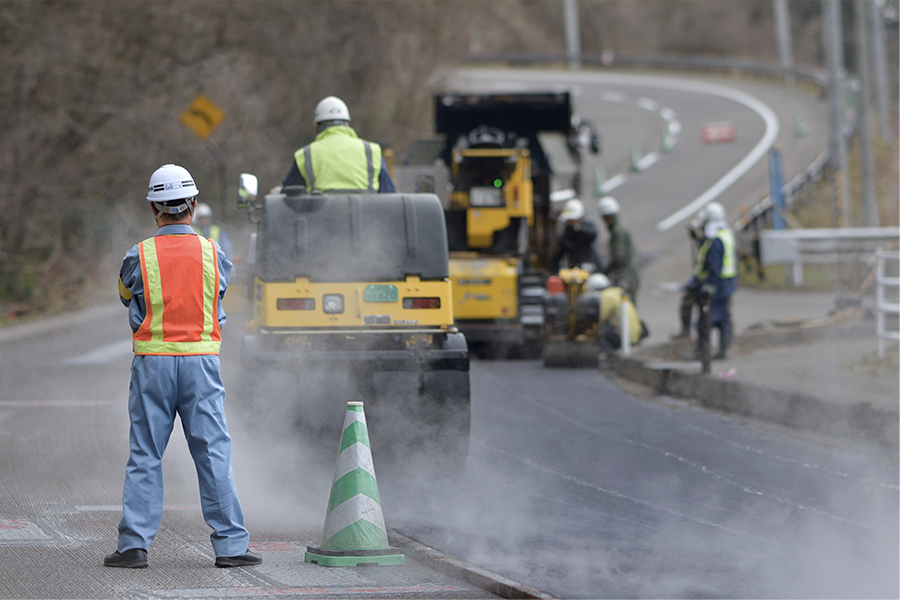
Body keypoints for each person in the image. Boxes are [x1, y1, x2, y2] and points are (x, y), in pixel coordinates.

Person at [105, 164, 260, 569]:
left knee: (145, 453)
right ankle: (230, 547)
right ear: (192, 204)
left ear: (155, 208)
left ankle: (134, 546)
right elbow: (221, 289)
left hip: (153, 364)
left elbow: (125, 293)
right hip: (201, 364)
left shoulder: (137, 254)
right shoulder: (215, 253)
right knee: (213, 453)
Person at [282, 96, 396, 193]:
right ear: (347, 124)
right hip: (368, 217)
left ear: (318, 127)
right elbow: (389, 193)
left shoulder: (306, 154)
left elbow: (287, 195)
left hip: (322, 218)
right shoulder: (371, 150)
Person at [685, 202, 738, 359]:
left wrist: (709, 285)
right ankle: (723, 350)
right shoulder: (726, 234)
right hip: (727, 284)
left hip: (717, 285)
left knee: (705, 320)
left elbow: (714, 265)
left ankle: (702, 354)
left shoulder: (715, 240)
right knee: (724, 319)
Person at [585, 273, 646, 354]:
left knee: (598, 329)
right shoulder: (616, 293)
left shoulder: (607, 297)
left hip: (625, 337)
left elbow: (600, 318)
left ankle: (609, 355)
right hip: (634, 336)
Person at [599, 196, 640, 304]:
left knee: (626, 308)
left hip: (625, 276)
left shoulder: (617, 231)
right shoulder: (619, 228)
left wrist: (607, 271)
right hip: (629, 274)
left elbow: (619, 256)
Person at [670, 214, 705, 341]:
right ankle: (686, 332)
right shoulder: (704, 241)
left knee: (705, 313)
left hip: (706, 281)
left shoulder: (711, 240)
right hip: (699, 278)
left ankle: (703, 343)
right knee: (686, 302)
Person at [549, 198, 602, 273]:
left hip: (591, 268)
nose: (570, 223)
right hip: (575, 269)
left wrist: (577, 228)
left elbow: (592, 234)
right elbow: (558, 255)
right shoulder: (566, 235)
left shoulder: (587, 228)